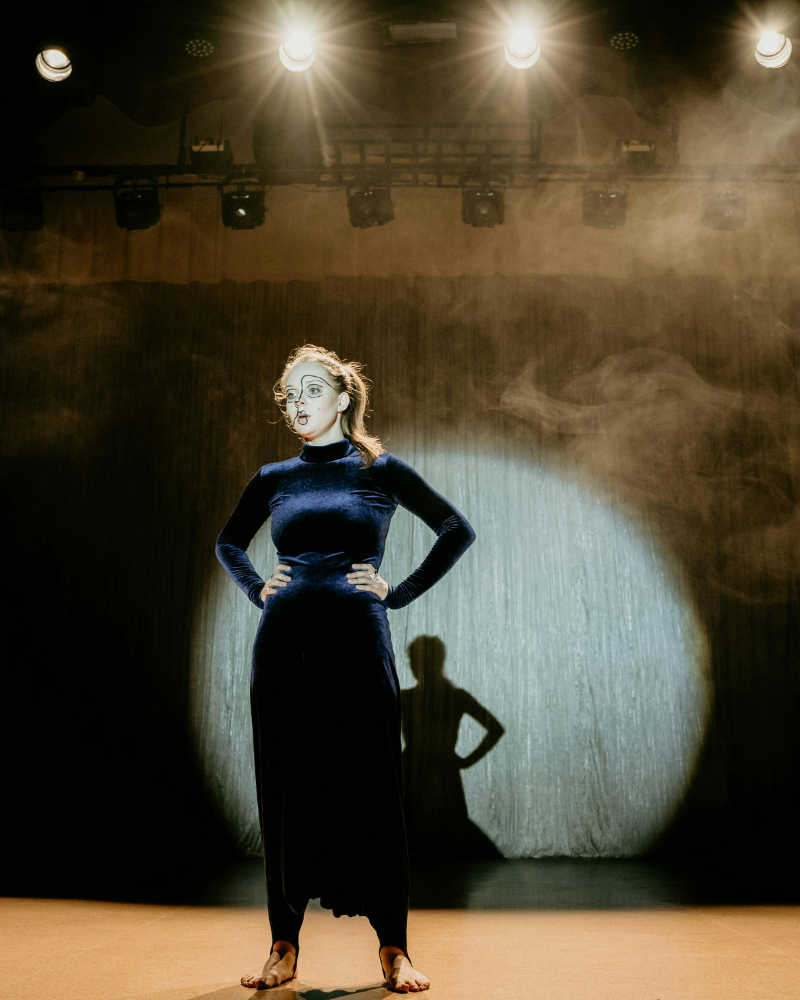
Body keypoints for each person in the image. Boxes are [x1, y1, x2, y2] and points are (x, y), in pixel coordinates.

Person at [215, 345, 476, 993]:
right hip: (284, 648)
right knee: (286, 787)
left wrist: (400, 591)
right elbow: (228, 541)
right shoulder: (274, 477)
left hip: (358, 644)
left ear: (342, 398)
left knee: (372, 787)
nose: (298, 402)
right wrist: (254, 587)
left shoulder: (380, 471)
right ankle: (283, 946)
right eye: (289, 394)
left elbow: (455, 528)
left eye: (310, 390)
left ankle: (394, 948)